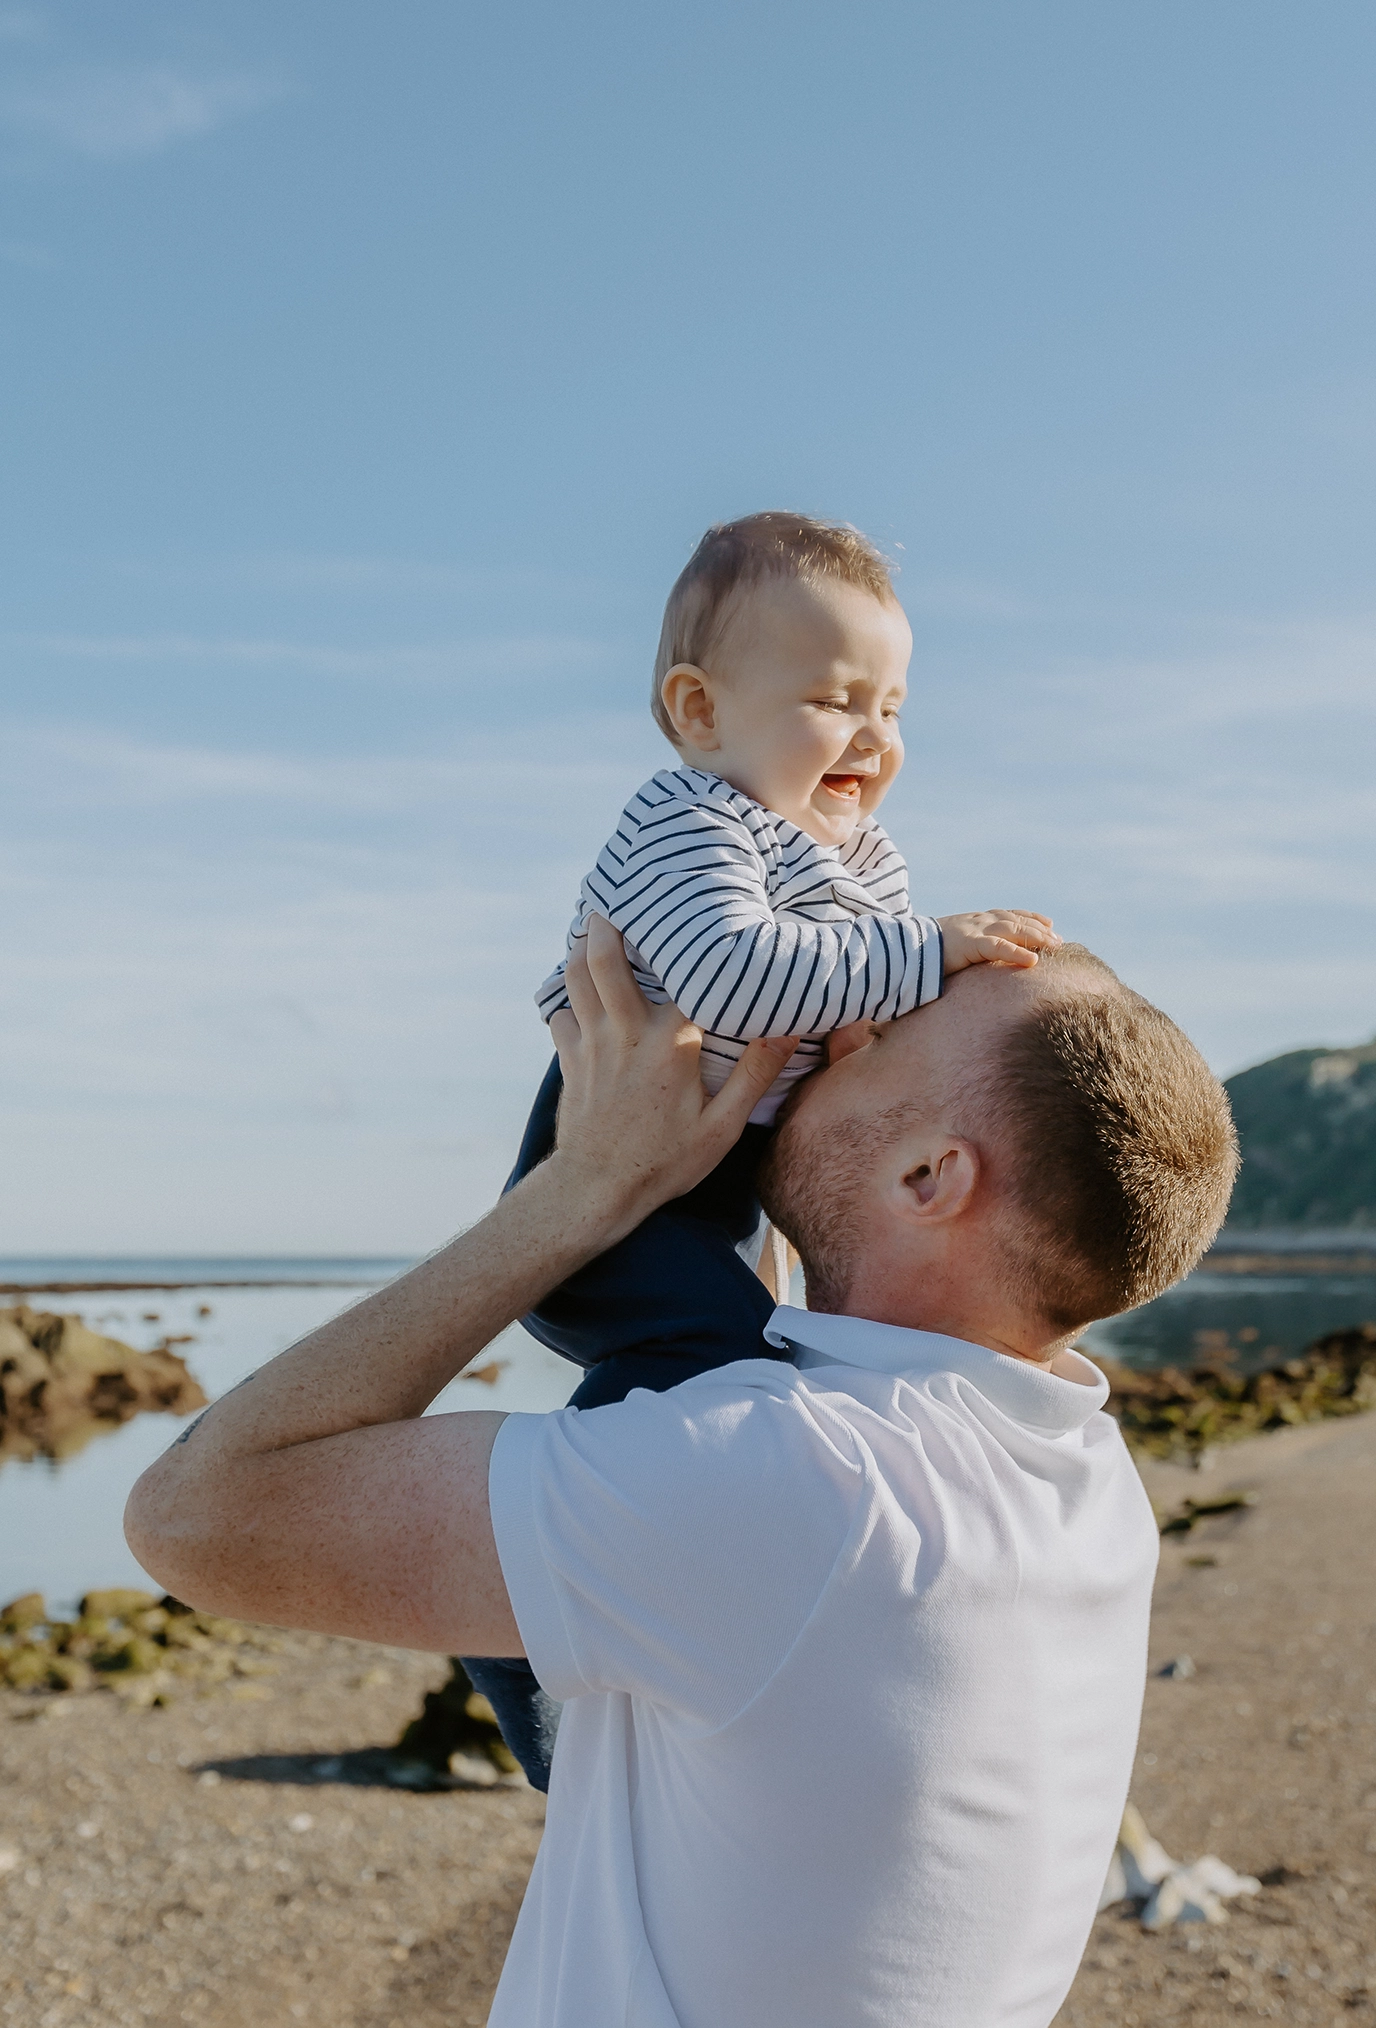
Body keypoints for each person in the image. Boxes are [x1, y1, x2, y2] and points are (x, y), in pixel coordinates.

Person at [125, 917, 1238, 2028]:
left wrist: (582, 1188)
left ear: (932, 1175)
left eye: (885, 1033)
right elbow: (733, 1356)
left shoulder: (803, 1485)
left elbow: (195, 1515)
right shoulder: (1072, 1473)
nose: (834, 1032)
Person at [477, 510, 1058, 1776]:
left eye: (893, 706)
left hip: (723, 1161)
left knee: (742, 1375)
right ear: (699, 711)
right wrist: (928, 954)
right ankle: (512, 1627)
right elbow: (738, 982)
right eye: (831, 699)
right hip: (612, 1153)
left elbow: (872, 1009)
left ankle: (647, 1595)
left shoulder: (868, 859)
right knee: (708, 1367)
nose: (873, 735)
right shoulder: (687, 822)